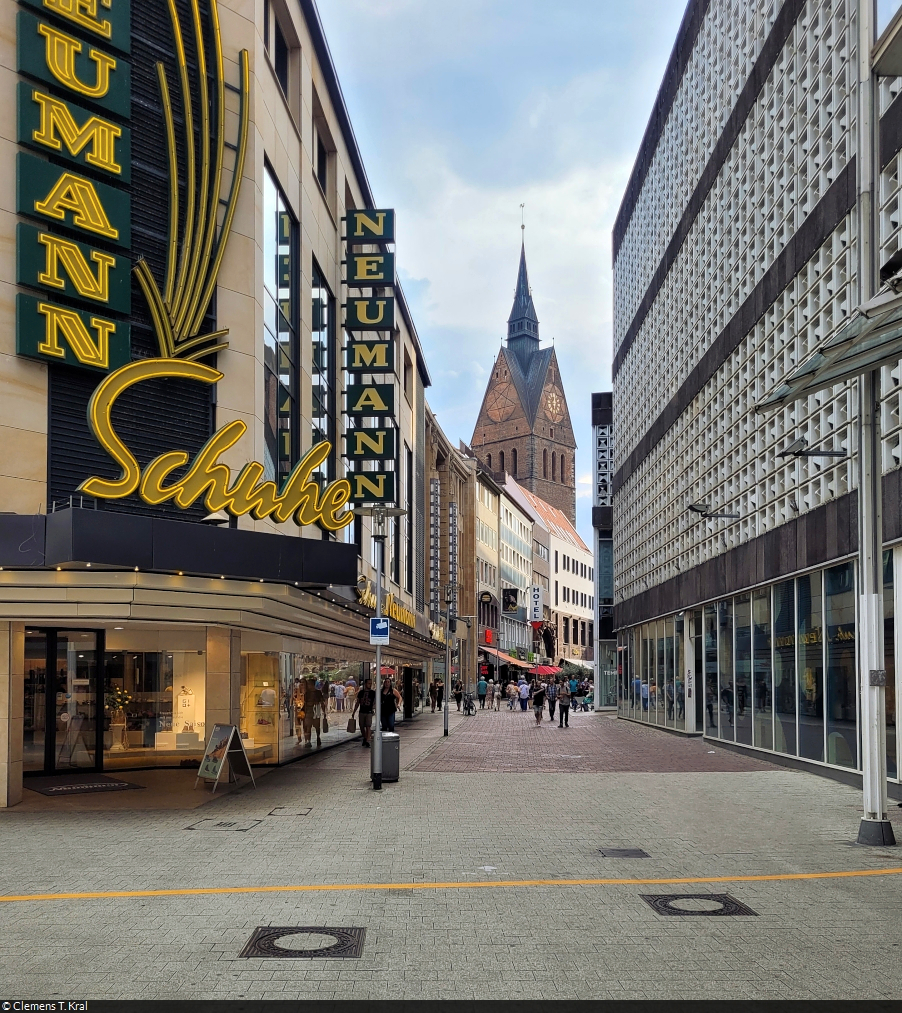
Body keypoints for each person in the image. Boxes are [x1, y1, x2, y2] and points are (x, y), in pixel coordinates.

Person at [353, 677, 376, 748]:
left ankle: (367, 740)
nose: (370, 685)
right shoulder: (361, 692)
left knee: (368, 726)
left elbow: (375, 702)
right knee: (362, 726)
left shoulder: (373, 693)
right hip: (362, 711)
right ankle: (365, 737)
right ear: (365, 684)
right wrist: (354, 711)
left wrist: (374, 709)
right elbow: (358, 702)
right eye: (369, 683)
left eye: (371, 683)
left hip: (369, 711)